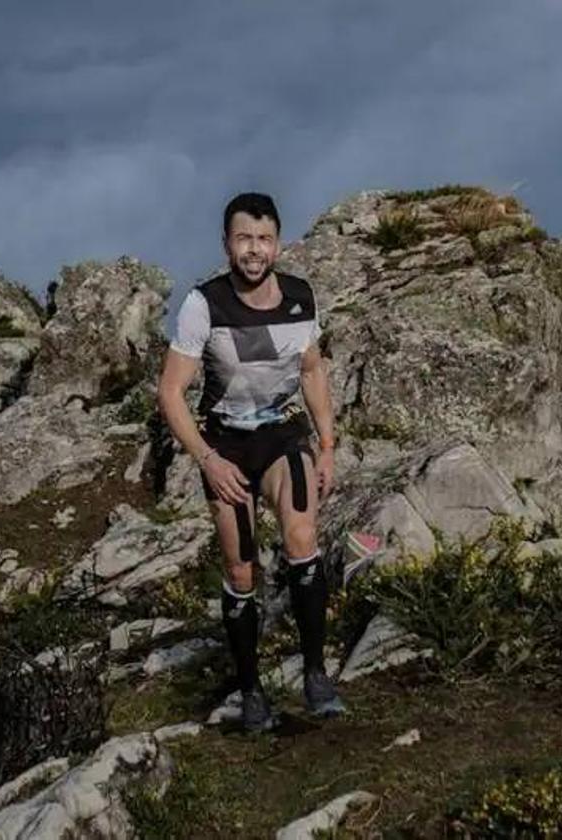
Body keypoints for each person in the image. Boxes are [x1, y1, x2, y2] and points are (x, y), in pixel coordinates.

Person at [156, 191, 344, 731]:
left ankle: (315, 674)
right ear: (227, 244)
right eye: (243, 239)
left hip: (283, 437)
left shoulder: (301, 299)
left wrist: (327, 447)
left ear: (278, 244)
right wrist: (208, 460)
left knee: (302, 539)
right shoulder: (203, 305)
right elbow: (171, 393)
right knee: (241, 571)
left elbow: (311, 371)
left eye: (263, 239)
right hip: (228, 447)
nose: (254, 250)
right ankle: (251, 690)